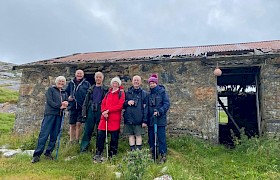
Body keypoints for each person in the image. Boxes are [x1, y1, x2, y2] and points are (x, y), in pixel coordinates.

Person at [31, 76, 68, 163]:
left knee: (54, 135)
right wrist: (60, 106)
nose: (61, 83)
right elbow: (50, 102)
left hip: (59, 116)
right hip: (50, 115)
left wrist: (66, 103)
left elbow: (65, 103)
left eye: (63, 82)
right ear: (56, 81)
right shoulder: (51, 90)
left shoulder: (64, 93)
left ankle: (48, 153)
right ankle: (37, 155)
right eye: (59, 81)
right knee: (44, 134)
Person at [93, 76, 125, 163]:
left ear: (118, 84)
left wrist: (108, 110)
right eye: (113, 83)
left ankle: (112, 154)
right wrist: (103, 111)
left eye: (116, 83)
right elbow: (103, 103)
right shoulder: (108, 93)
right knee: (100, 135)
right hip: (105, 117)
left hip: (114, 118)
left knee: (114, 137)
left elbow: (120, 105)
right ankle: (98, 152)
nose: (115, 84)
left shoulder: (121, 93)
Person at [80, 72, 108, 152]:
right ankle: (83, 148)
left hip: (101, 110)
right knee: (87, 130)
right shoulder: (91, 89)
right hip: (91, 110)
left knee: (100, 131)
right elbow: (85, 102)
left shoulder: (105, 89)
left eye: (100, 77)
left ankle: (99, 150)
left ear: (102, 78)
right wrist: (84, 113)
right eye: (97, 77)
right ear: (95, 78)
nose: (98, 78)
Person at [146, 73, 170, 164]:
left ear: (156, 83)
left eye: (153, 83)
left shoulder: (162, 92)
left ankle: (163, 155)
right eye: (150, 83)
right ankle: (153, 155)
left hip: (160, 120)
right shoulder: (149, 95)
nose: (151, 84)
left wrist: (160, 111)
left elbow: (166, 104)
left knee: (161, 138)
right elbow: (147, 108)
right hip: (151, 120)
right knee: (151, 138)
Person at [123, 75, 148, 151]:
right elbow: (123, 105)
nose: (136, 82)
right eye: (135, 80)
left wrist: (144, 120)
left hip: (139, 119)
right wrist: (127, 102)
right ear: (132, 82)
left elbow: (146, 108)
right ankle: (132, 152)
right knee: (131, 135)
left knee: (138, 135)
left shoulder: (144, 93)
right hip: (129, 118)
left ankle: (138, 152)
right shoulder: (127, 93)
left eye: (137, 80)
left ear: (140, 82)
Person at [66, 69, 91, 144]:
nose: (79, 75)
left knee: (78, 123)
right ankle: (71, 140)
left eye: (80, 74)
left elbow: (89, 94)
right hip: (72, 106)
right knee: (72, 124)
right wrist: (68, 98)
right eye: (78, 73)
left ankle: (77, 140)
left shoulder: (86, 84)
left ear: (83, 75)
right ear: (75, 74)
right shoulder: (71, 83)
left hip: (81, 107)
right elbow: (66, 92)